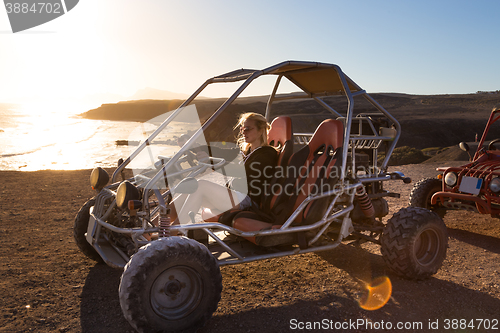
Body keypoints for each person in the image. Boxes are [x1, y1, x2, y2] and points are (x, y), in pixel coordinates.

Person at [169, 112, 278, 225]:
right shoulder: (247, 151)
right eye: (242, 129)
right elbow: (220, 152)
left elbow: (243, 172)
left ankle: (173, 230)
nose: (243, 132)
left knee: (201, 185)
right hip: (235, 195)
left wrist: (212, 163)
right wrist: (194, 146)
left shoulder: (267, 154)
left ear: (261, 131)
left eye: (247, 129)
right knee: (191, 188)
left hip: (248, 200)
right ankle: (153, 227)